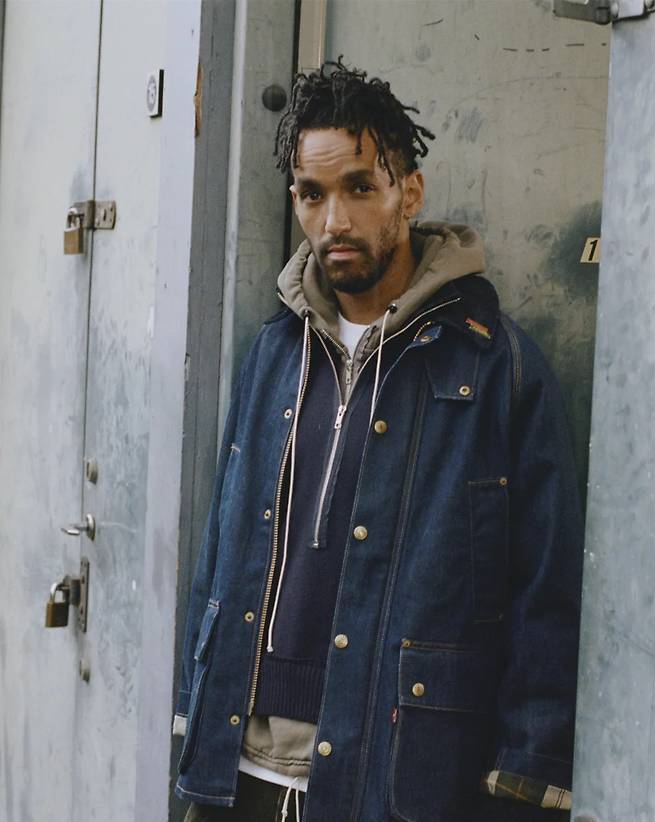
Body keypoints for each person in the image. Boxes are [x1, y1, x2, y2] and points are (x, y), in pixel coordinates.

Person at [173, 59, 583, 822]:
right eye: (313, 193)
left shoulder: (496, 366)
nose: (335, 220)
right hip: (243, 772)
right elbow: (222, 551)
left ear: (410, 192)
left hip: (395, 778)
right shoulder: (275, 351)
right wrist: (192, 715)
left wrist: (524, 782)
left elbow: (547, 599)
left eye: (360, 187)